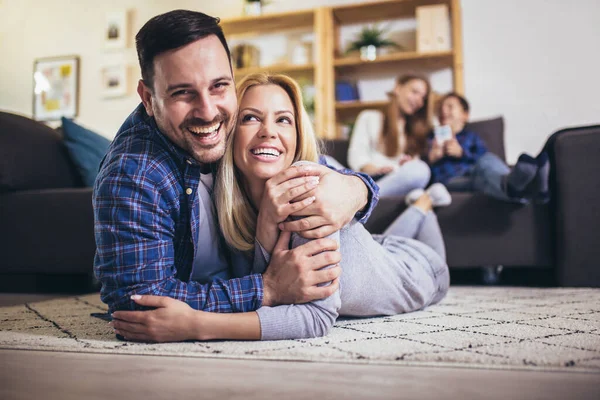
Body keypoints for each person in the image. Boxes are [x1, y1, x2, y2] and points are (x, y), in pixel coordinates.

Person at [109, 73, 450, 342]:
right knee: (376, 247)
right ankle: (418, 207)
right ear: (230, 133)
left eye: (283, 120)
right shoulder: (227, 200)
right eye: (251, 119)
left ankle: (424, 206)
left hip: (421, 272)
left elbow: (315, 317)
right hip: (378, 252)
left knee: (413, 249)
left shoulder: (308, 196)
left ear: (298, 134)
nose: (268, 132)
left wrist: (196, 324)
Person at [93, 10, 380, 315]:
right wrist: (267, 289)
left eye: (219, 86)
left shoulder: (231, 126)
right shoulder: (134, 175)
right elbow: (137, 302)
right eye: (182, 93)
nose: (207, 112)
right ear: (148, 99)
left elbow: (309, 160)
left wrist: (356, 188)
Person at [427, 92, 549, 203]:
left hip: (479, 173)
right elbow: (420, 172)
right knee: (483, 179)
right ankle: (531, 186)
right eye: (440, 108)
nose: (443, 110)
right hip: (451, 179)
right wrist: (431, 158)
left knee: (486, 162)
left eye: (449, 106)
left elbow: (483, 159)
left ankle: (517, 187)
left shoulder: (471, 137)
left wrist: (462, 153)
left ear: (465, 115)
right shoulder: (431, 139)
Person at [346, 75, 433, 198]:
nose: (419, 101)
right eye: (414, 92)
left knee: (421, 170)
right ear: (397, 88)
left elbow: (411, 171)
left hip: (394, 180)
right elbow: (357, 155)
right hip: (368, 177)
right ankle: (366, 196)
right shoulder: (369, 117)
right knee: (323, 159)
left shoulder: (414, 131)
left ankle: (365, 200)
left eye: (423, 98)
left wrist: (404, 166)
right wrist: (375, 170)